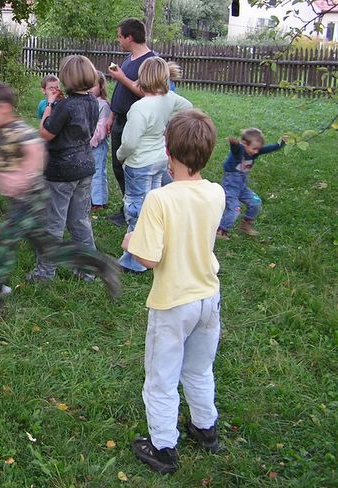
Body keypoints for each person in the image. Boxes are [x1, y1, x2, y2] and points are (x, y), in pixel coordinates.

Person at [0, 83, 122, 317]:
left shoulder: (19, 131)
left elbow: (37, 152)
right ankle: (101, 264)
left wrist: (22, 176)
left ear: (4, 108)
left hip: (29, 200)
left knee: (2, 244)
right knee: (49, 250)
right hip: (18, 201)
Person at [122, 109, 226, 475]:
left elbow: (149, 258)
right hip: (208, 298)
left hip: (172, 304)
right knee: (199, 369)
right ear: (208, 152)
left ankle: (163, 447)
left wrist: (131, 241)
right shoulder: (216, 192)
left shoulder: (159, 199)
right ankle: (205, 428)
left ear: (168, 151)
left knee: (161, 378)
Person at [27, 55, 100, 283]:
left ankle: (45, 272)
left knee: (53, 222)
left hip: (61, 171)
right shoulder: (92, 101)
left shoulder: (66, 106)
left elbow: (45, 132)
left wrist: (50, 104)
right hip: (85, 167)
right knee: (79, 220)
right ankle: (88, 270)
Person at [116, 57, 192, 273]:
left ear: (142, 77)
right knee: (155, 206)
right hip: (160, 160)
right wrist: (167, 125)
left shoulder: (139, 108)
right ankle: (157, 249)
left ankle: (134, 261)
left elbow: (130, 143)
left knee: (137, 210)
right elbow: (188, 107)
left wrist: (120, 155)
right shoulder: (169, 99)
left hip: (139, 164)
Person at [105, 18, 156, 226]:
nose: (118, 40)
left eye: (120, 36)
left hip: (133, 122)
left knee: (131, 168)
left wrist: (122, 78)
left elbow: (147, 92)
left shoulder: (150, 62)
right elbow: (121, 91)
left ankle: (137, 210)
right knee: (118, 166)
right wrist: (111, 116)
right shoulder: (129, 58)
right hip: (119, 118)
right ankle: (128, 206)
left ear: (130, 37)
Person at [217, 128, 287, 238]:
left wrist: (281, 143)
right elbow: (235, 149)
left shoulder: (255, 153)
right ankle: (221, 231)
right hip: (230, 187)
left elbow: (269, 148)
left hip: (242, 187)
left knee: (256, 202)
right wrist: (234, 143)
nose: (256, 152)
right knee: (235, 209)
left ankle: (246, 225)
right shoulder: (239, 150)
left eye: (258, 149)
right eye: (254, 149)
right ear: (244, 143)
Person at [90, 71, 111, 210]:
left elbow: (101, 129)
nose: (89, 89)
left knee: (98, 172)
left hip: (97, 145)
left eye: (93, 85)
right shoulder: (86, 103)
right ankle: (91, 198)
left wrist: (91, 142)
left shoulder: (103, 105)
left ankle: (99, 201)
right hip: (87, 144)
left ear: (101, 86)